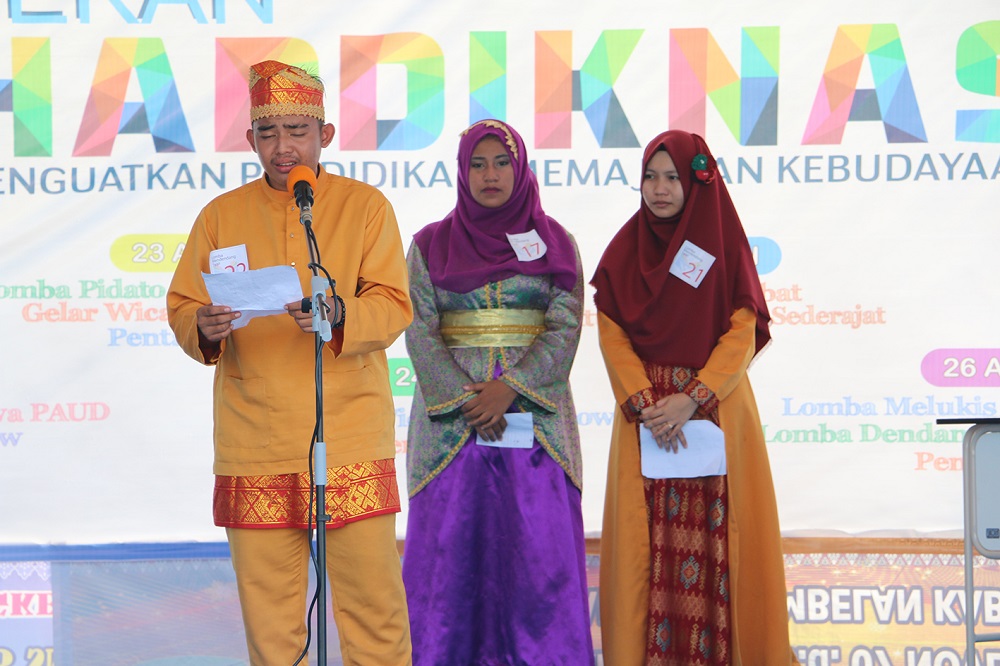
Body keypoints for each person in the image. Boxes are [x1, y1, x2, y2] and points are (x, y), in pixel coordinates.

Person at [166, 60, 413, 665]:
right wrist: (202, 325)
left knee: (374, 611)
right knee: (271, 623)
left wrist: (339, 312)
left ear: (324, 135)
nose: (283, 147)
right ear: (250, 139)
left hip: (349, 433)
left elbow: (393, 304)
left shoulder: (364, 207)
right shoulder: (220, 215)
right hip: (256, 435)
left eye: (297, 131)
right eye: (268, 133)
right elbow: (184, 305)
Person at [591, 130, 797, 664]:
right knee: (647, 546)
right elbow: (612, 331)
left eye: (672, 177)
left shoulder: (723, 244)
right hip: (647, 421)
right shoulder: (626, 248)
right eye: (649, 177)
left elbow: (742, 329)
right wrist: (644, 400)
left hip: (715, 413)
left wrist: (693, 396)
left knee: (722, 545)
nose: (659, 189)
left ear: (696, 183)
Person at [401, 119, 594, 664]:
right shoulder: (429, 244)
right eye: (478, 164)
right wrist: (467, 398)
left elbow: (565, 324)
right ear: (463, 172)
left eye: (502, 163)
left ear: (521, 167)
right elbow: (419, 328)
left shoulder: (557, 242)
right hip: (452, 431)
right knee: (448, 562)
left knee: (538, 560)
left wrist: (511, 388)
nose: (490, 175)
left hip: (536, 427)